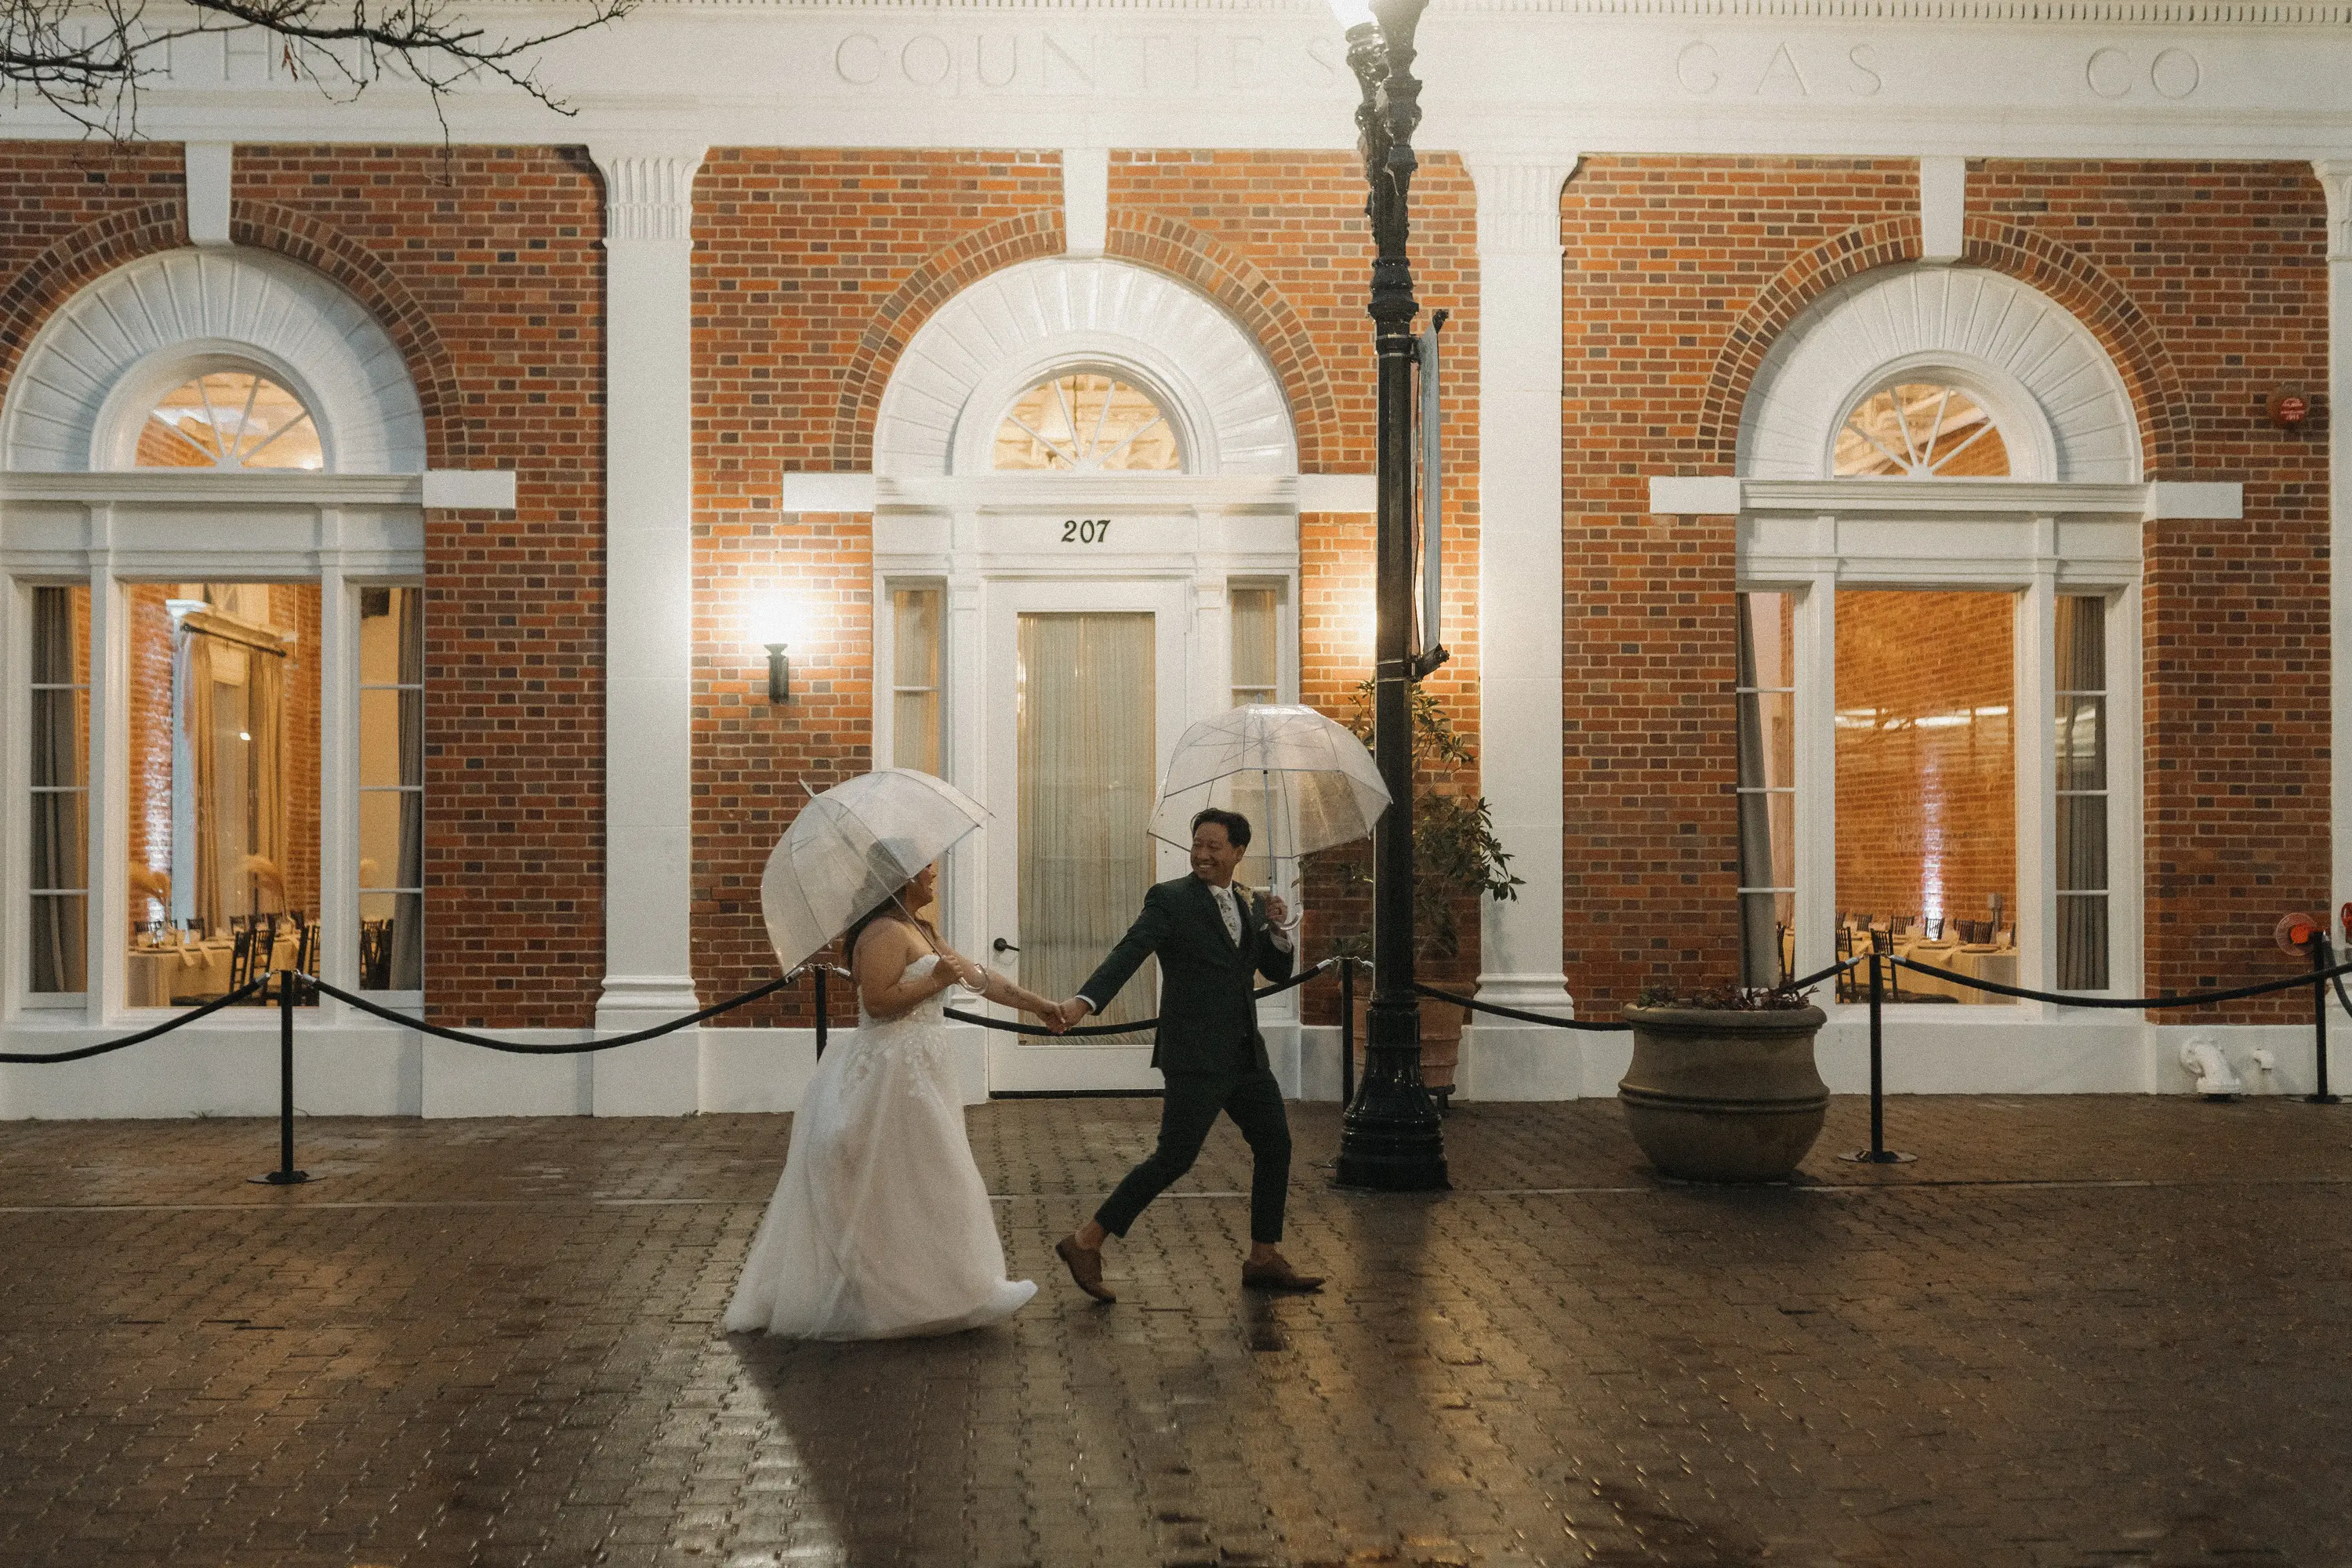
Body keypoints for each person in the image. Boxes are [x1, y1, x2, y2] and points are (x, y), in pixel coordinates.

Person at [726, 858, 1065, 1340]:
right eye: (925, 869)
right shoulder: (885, 932)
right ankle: (902, 1295)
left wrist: (1040, 1006)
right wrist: (935, 981)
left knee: (924, 1181)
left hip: (919, 1070)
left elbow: (978, 976)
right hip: (889, 1076)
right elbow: (878, 1002)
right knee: (916, 1178)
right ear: (901, 877)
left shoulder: (919, 928)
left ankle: (940, 1289)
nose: (933, 876)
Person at [1051, 808, 1324, 1301]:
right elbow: (1129, 951)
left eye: (1215, 847)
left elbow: (1278, 973)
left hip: (1244, 1054)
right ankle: (1086, 1240)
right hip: (1195, 1054)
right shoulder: (1170, 900)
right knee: (1175, 1157)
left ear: (1238, 852)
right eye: (1197, 844)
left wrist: (1276, 930)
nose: (1202, 854)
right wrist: (1084, 1001)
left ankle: (1263, 1257)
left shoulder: (1251, 903)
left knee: (1275, 1143)